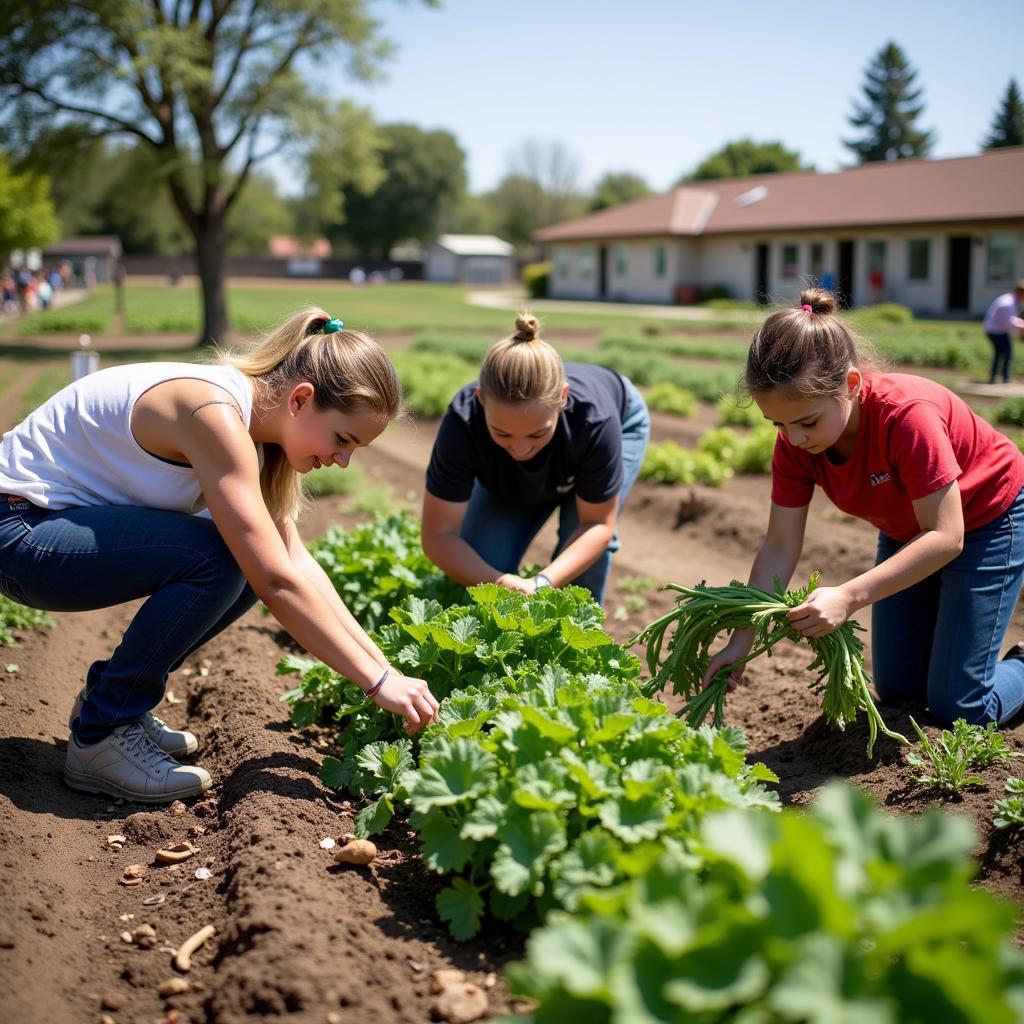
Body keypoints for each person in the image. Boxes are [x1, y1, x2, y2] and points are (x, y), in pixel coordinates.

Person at [0, 308, 439, 804]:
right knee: (225, 558)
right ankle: (103, 733)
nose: (342, 460)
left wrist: (387, 671)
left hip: (42, 529)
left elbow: (295, 564)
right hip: (18, 529)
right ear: (300, 399)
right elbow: (277, 580)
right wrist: (375, 682)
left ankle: (116, 704)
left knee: (247, 559)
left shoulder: (252, 431)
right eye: (343, 440)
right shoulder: (213, 412)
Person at [702, 288, 1024, 728]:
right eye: (777, 423)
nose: (793, 438)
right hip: (909, 528)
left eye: (807, 422)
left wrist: (849, 595)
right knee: (898, 691)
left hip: (989, 516)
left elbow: (948, 537)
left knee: (962, 707)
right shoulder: (796, 445)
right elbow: (779, 545)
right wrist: (741, 640)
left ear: (850, 385)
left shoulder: (906, 416)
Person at [421, 313, 650, 606]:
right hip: (554, 455)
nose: (520, 450)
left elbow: (597, 525)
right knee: (481, 560)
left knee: (580, 558)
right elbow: (438, 536)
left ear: (563, 397)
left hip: (620, 419)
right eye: (502, 434)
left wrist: (544, 582)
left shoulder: (594, 420)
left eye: (537, 435)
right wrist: (499, 582)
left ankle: (579, 639)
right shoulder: (464, 422)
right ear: (480, 399)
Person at [983, 279, 1024, 384]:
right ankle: (1005, 378)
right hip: (996, 331)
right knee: (1007, 353)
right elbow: (1009, 322)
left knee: (1000, 353)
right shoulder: (1008, 303)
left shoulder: (1012, 300)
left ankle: (995, 377)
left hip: (998, 330)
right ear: (1021, 293)